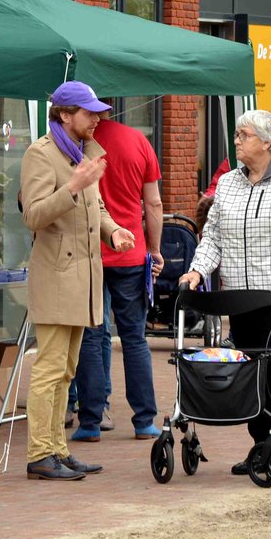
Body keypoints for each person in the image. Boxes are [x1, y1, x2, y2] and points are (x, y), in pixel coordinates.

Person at [180, 109, 271, 481]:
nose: (238, 140)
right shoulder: (228, 183)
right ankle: (262, 447)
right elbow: (213, 235)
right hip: (240, 299)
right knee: (248, 375)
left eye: (244, 135)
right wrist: (198, 270)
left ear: (267, 142)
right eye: (238, 134)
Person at [21, 80, 135, 480]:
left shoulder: (83, 153)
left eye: (99, 112)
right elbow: (33, 215)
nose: (98, 118)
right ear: (65, 114)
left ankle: (57, 448)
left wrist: (113, 231)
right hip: (55, 276)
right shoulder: (41, 153)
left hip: (83, 277)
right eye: (89, 113)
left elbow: (97, 208)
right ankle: (39, 454)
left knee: (67, 370)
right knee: (50, 369)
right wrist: (72, 187)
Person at [69, 106, 163, 443]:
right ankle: (144, 421)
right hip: (130, 253)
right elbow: (152, 204)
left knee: (92, 338)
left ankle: (91, 422)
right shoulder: (138, 140)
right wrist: (154, 249)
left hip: (89, 255)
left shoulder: (75, 142)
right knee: (135, 338)